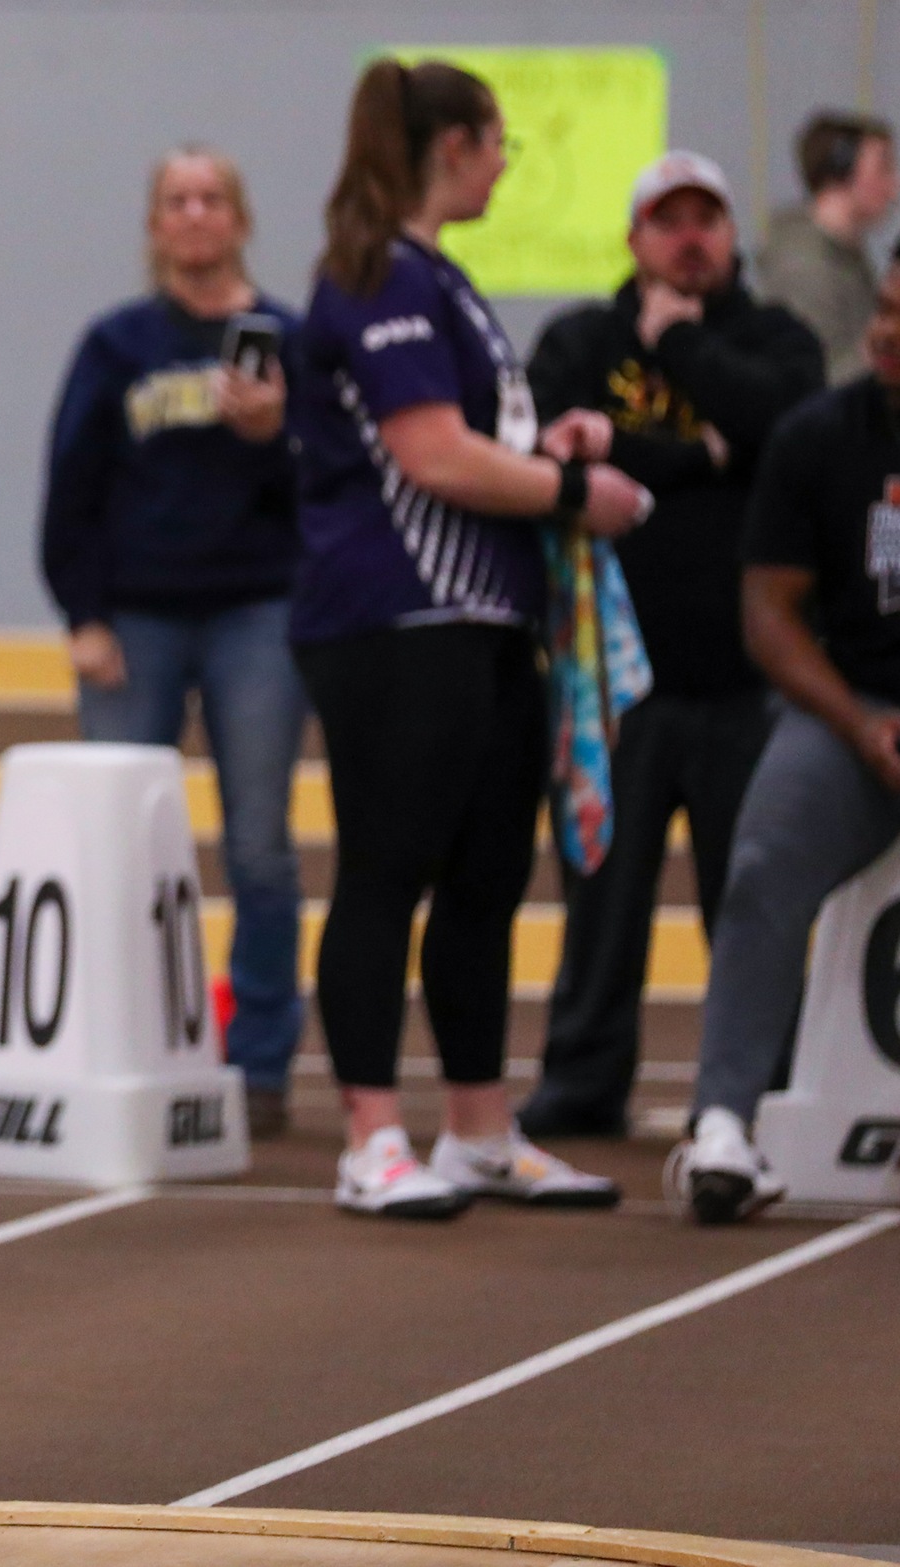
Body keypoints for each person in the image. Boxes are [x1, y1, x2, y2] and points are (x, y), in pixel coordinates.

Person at [289, 58, 648, 1218]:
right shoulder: (377, 274)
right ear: (450, 146)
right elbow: (431, 454)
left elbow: (472, 437)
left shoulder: (441, 280)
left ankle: (481, 1130)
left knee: (487, 878)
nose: (504, 164)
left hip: (488, 621)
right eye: (498, 143)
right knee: (386, 871)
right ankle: (370, 1136)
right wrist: (564, 487)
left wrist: (552, 437)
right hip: (396, 621)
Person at [518, 153, 824, 1138]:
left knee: (753, 902)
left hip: (748, 681)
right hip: (616, 681)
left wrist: (682, 354)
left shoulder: (778, 339)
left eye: (705, 219)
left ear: (731, 234)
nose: (688, 237)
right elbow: (561, 454)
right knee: (601, 897)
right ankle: (581, 1080)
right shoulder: (576, 340)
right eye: (667, 220)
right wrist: (703, 456)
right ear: (633, 237)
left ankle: (758, 1092)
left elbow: (785, 438)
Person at [39, 144, 305, 1139]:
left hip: (258, 617)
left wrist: (273, 432)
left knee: (259, 847)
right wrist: (83, 615)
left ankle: (262, 1061)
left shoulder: (285, 339)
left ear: (238, 220)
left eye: (210, 199)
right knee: (118, 845)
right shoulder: (116, 344)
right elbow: (70, 486)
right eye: (174, 201)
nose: (193, 215)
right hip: (135, 619)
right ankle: (124, 1042)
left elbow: (330, 487)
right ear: (155, 227)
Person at [667, 246, 900, 1223]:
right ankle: (721, 1124)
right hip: (853, 711)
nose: (882, 329)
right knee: (759, 860)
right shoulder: (818, 434)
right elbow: (767, 611)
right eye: (884, 307)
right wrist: (860, 725)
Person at [756, 110, 897, 384]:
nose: (893, 186)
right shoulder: (805, 268)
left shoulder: (845, 255)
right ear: (840, 168)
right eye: (883, 168)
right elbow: (818, 383)